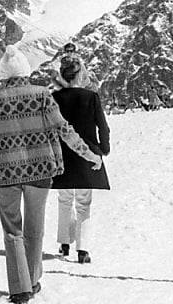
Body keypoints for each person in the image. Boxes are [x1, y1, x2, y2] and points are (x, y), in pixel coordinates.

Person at [0, 46, 102, 304]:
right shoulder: (43, 96)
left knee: (12, 230)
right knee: (35, 229)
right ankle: (34, 280)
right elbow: (64, 130)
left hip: (4, 173)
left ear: (4, 73)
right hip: (41, 170)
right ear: (26, 71)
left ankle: (19, 288)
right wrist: (90, 155)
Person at [51, 59, 110, 264]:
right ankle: (82, 250)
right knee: (84, 203)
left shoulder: (54, 98)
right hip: (87, 157)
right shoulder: (91, 97)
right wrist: (104, 149)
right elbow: (102, 126)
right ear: (79, 75)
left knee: (64, 200)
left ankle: (64, 243)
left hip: (62, 156)